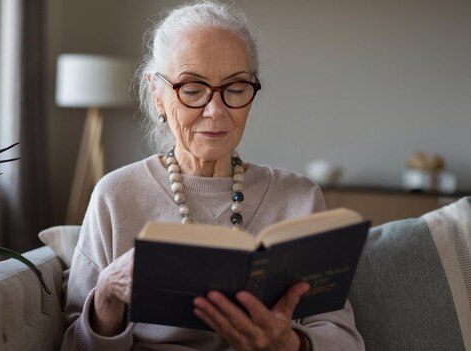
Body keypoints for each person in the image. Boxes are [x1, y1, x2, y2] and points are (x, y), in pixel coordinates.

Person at [61, 1, 365, 350]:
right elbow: (73, 344)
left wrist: (291, 344)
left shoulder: (299, 198)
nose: (216, 110)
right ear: (157, 94)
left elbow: (345, 339)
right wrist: (106, 298)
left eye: (235, 89)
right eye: (192, 89)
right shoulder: (115, 195)